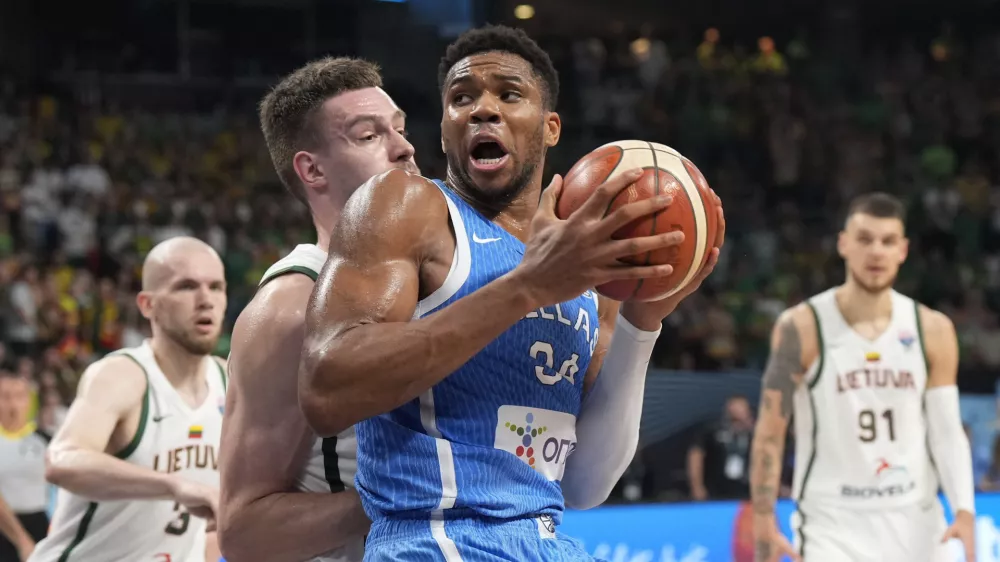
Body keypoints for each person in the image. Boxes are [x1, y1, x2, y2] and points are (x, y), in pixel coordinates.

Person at [300, 25, 724, 561]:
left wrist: (644, 322)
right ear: (446, 126)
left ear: (550, 128)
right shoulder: (406, 207)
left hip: (546, 540)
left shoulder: (589, 268)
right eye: (461, 98)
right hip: (435, 541)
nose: (481, 109)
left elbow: (583, 487)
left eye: (508, 93)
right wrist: (528, 286)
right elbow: (326, 389)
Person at [218, 56, 416, 562]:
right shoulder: (290, 306)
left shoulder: (435, 278)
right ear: (312, 168)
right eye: (369, 136)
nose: (404, 148)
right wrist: (407, 495)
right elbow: (243, 531)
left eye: (399, 128)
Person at [749, 193, 975, 562]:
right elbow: (770, 434)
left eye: (888, 242)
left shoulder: (932, 329)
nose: (876, 252)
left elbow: (947, 431)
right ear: (843, 244)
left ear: (903, 250)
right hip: (832, 523)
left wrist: (964, 509)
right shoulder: (801, 327)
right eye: (865, 239)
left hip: (916, 520)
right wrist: (763, 520)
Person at [29, 236, 226, 562]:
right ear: (148, 304)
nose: (206, 300)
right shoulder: (124, 375)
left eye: (216, 287)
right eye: (186, 287)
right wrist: (174, 486)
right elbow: (61, 460)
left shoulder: (230, 382)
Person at [0, 372, 49, 561]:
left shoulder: (46, 440)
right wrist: (21, 540)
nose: (13, 404)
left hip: (39, 525)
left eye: (20, 396)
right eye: (5, 396)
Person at [687, 395, 755, 501]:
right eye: (734, 419)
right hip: (716, 490)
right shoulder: (712, 430)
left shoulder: (754, 434)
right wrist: (697, 486)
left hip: (747, 490)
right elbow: (696, 455)